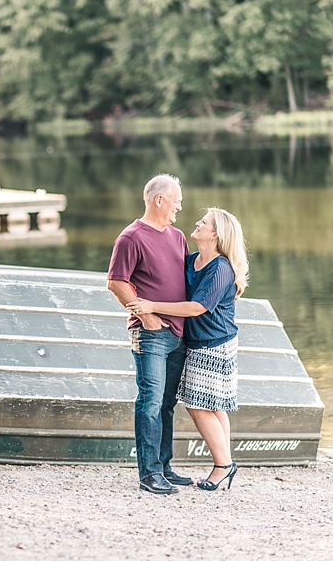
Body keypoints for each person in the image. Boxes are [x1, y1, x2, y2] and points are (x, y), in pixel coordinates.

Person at [126, 207, 249, 491]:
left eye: (203, 222)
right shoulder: (193, 260)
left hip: (214, 344)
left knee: (198, 405)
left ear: (215, 235)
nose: (197, 222)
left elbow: (197, 307)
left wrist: (151, 306)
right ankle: (225, 463)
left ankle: (222, 466)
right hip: (198, 341)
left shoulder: (220, 268)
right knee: (214, 405)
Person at [107, 174, 191, 495]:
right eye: (176, 200)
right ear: (159, 200)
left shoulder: (178, 237)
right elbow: (116, 282)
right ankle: (149, 474)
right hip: (150, 334)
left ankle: (164, 466)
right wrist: (145, 313)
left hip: (178, 334)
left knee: (167, 403)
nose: (179, 206)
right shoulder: (131, 237)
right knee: (151, 401)